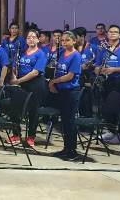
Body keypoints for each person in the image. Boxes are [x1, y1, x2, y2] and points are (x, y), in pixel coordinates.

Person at [94, 24, 120, 144]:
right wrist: (99, 70)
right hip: (105, 82)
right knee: (107, 108)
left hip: (119, 82)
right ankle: (111, 131)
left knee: (119, 108)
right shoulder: (104, 48)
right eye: (110, 32)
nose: (112, 34)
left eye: (115, 32)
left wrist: (114, 70)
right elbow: (97, 65)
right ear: (107, 34)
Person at [9, 29, 47, 148]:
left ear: (38, 39)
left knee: (33, 111)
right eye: (28, 37)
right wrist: (15, 77)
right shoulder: (22, 52)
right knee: (15, 109)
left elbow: (35, 72)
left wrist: (18, 80)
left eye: (33, 37)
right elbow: (14, 67)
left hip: (35, 84)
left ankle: (31, 137)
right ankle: (16, 135)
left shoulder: (41, 54)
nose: (31, 39)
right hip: (21, 84)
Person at [49, 31, 82, 160]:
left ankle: (72, 150)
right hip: (61, 91)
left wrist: (54, 82)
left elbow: (70, 75)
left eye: (67, 40)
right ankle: (66, 148)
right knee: (64, 121)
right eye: (62, 40)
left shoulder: (76, 55)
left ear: (74, 41)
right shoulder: (62, 53)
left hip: (71, 92)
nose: (64, 42)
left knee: (70, 122)